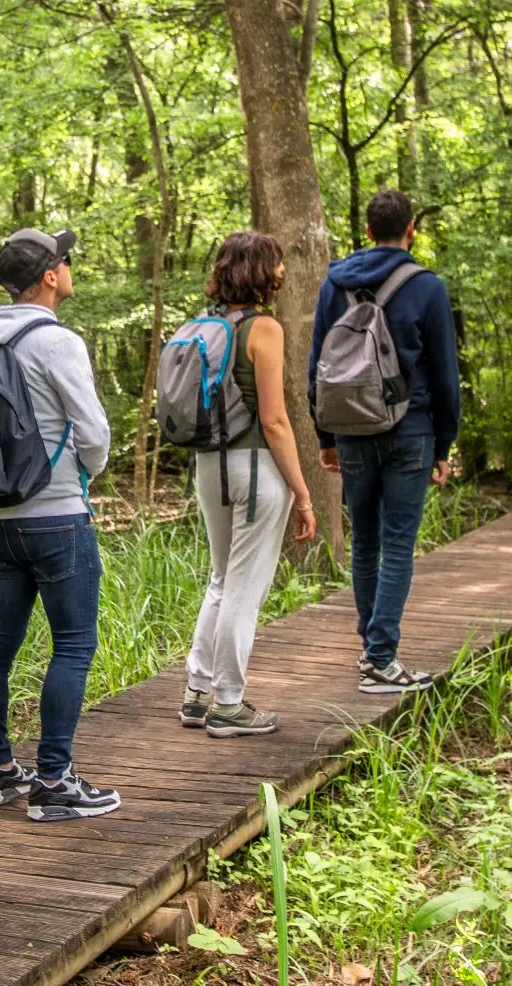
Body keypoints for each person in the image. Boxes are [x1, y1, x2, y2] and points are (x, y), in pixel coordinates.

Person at [0, 228, 119, 822]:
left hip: (2, 519)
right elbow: (95, 432)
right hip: (58, 517)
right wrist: (87, 472)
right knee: (75, 645)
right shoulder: (57, 342)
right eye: (66, 260)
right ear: (50, 276)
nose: (70, 266)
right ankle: (53, 781)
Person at [308, 189, 459, 695]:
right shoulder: (427, 288)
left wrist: (324, 435)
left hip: (349, 430)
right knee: (397, 543)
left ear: (367, 231)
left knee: (366, 541)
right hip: (409, 431)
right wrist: (445, 445)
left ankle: (372, 649)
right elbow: (444, 376)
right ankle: (379, 658)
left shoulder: (334, 285)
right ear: (410, 228)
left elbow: (319, 367)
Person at [179, 232, 318, 736]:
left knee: (220, 580)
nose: (282, 272)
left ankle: (196, 694)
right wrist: (303, 494)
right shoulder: (264, 329)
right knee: (244, 587)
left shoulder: (201, 326)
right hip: (255, 466)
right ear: (262, 272)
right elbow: (276, 420)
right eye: (277, 264)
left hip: (208, 466)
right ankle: (230, 703)